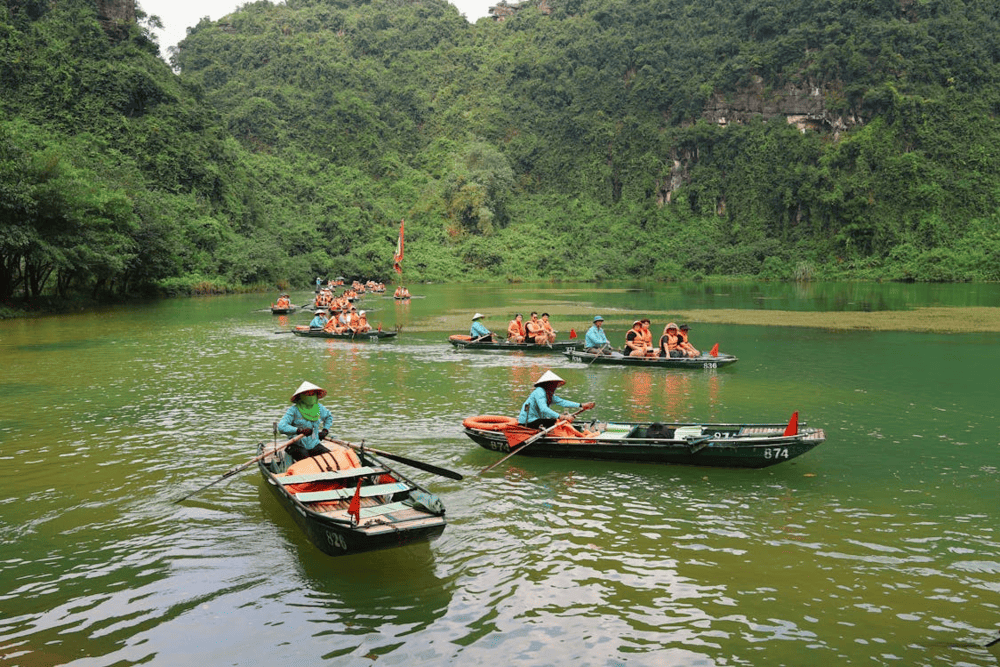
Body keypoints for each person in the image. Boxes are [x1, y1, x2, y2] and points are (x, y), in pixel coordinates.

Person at [517, 370, 596, 429]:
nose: (555, 387)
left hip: (536, 419)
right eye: (553, 384)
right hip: (527, 422)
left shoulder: (548, 394)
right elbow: (544, 408)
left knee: (552, 420)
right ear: (548, 384)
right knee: (552, 421)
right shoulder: (539, 392)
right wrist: (561, 416)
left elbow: (562, 402)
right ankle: (549, 438)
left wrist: (581, 405)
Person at [277, 381, 334, 461]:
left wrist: (325, 430)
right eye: (307, 395)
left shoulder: (319, 408)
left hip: (314, 444)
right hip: (297, 445)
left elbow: (329, 417)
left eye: (312, 394)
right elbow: (281, 427)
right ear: (301, 396)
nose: (310, 397)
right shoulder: (293, 410)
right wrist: (299, 430)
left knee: (330, 458)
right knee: (306, 459)